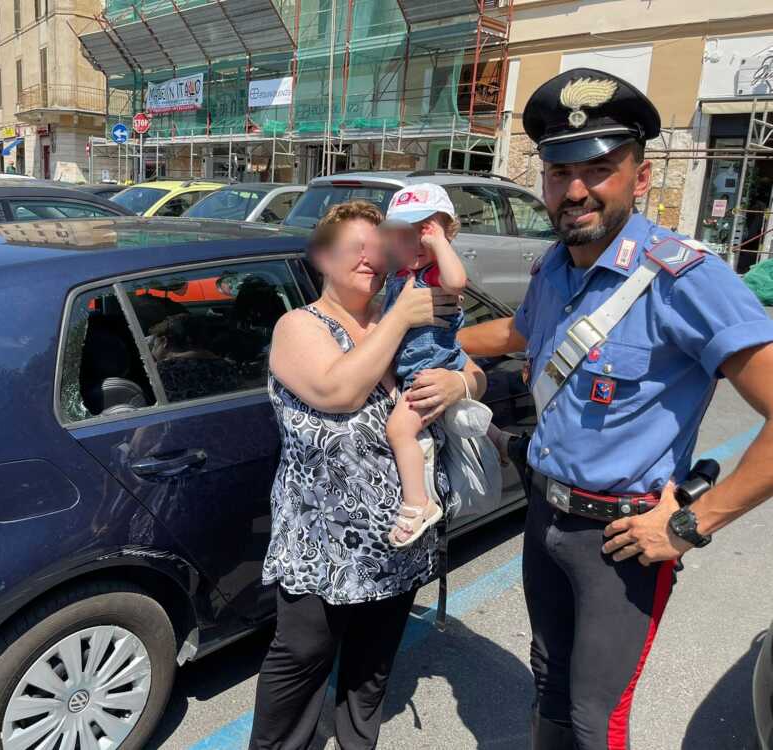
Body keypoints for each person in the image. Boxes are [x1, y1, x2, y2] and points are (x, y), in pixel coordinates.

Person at [458, 67, 773, 750]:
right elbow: (522, 334)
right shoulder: (554, 268)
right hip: (544, 516)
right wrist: (446, 344)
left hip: (623, 543)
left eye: (599, 167)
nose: (574, 189)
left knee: (601, 719)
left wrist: (691, 524)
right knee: (548, 684)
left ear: (640, 173)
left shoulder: (685, 280)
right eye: (558, 169)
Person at [249, 200, 486, 750]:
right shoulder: (300, 325)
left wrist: (463, 386)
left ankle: (359, 741)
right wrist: (400, 318)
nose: (367, 259)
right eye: (352, 248)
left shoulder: (400, 311)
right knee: (303, 656)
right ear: (323, 258)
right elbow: (340, 391)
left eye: (375, 248)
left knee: (372, 665)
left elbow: (466, 364)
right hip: (320, 540)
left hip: (398, 535)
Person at [377, 183, 490, 547]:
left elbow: (458, 282)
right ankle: (498, 436)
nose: (411, 245)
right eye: (401, 236)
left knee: (399, 430)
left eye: (419, 235)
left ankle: (418, 504)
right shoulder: (399, 278)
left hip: (429, 371)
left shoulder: (435, 274)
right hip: (416, 371)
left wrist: (440, 243)